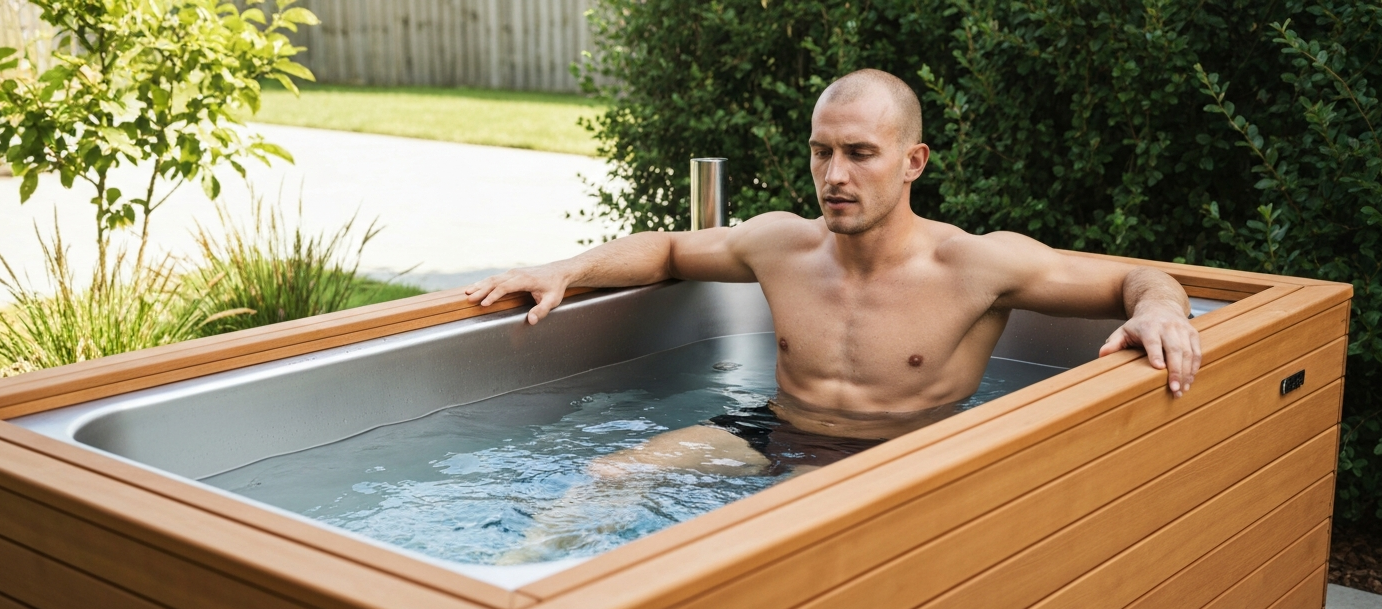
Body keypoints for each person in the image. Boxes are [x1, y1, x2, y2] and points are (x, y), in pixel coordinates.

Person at [463, 68, 1201, 481]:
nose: (833, 175)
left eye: (859, 152)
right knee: (607, 479)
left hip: (905, 460)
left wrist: (1162, 311)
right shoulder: (781, 244)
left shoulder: (976, 264)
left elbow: (1134, 280)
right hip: (774, 433)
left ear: (912, 162)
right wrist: (566, 269)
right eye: (821, 152)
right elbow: (666, 250)